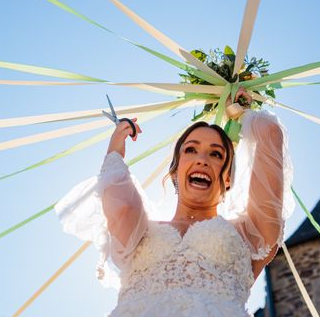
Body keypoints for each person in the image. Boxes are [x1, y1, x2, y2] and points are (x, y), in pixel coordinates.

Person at [55, 88, 295, 316]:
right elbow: (122, 204)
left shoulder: (250, 233)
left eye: (216, 154)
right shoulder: (141, 230)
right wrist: (116, 145)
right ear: (174, 171)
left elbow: (271, 135)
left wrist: (244, 111)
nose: (202, 159)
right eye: (191, 150)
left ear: (228, 178)